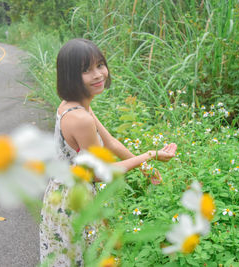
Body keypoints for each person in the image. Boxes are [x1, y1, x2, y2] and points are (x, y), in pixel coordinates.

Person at [39, 38, 177, 266]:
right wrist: (149, 155)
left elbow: (109, 142)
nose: (98, 75)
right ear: (70, 76)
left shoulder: (74, 104)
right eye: (86, 70)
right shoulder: (80, 118)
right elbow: (99, 174)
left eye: (100, 65)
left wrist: (144, 167)